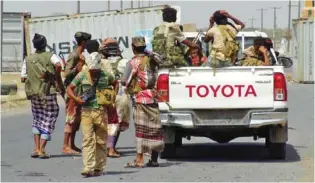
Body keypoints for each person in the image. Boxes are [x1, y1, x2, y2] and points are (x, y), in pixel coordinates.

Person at [67, 52, 116, 177]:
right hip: (86, 112)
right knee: (87, 140)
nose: (94, 72)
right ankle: (88, 167)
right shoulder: (82, 75)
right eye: (92, 69)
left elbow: (116, 83)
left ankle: (99, 168)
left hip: (101, 112)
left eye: (96, 70)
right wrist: (76, 99)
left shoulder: (106, 76)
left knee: (101, 141)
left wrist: (112, 98)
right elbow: (69, 88)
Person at [122, 37, 164, 168]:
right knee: (154, 128)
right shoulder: (151, 59)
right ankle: (154, 159)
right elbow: (161, 60)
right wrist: (149, 52)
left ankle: (139, 160)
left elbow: (125, 81)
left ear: (133, 48)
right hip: (153, 97)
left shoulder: (133, 63)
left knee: (141, 130)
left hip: (140, 99)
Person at [21, 33, 65, 159]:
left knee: (37, 118)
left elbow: (23, 78)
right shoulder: (50, 55)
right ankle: (41, 149)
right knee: (49, 118)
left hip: (33, 93)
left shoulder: (28, 59)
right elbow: (58, 65)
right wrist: (55, 77)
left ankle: (35, 148)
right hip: (47, 92)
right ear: (45, 44)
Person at [99, 38, 131, 158]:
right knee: (116, 123)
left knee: (106, 122)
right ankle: (111, 148)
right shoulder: (125, 62)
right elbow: (128, 79)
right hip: (120, 95)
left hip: (105, 95)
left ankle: (108, 147)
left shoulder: (101, 62)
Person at [62, 31, 91, 155]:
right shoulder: (74, 55)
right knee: (70, 118)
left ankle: (72, 144)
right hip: (72, 91)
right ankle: (65, 145)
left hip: (79, 91)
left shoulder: (81, 54)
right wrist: (77, 67)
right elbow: (66, 73)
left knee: (76, 119)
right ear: (83, 42)